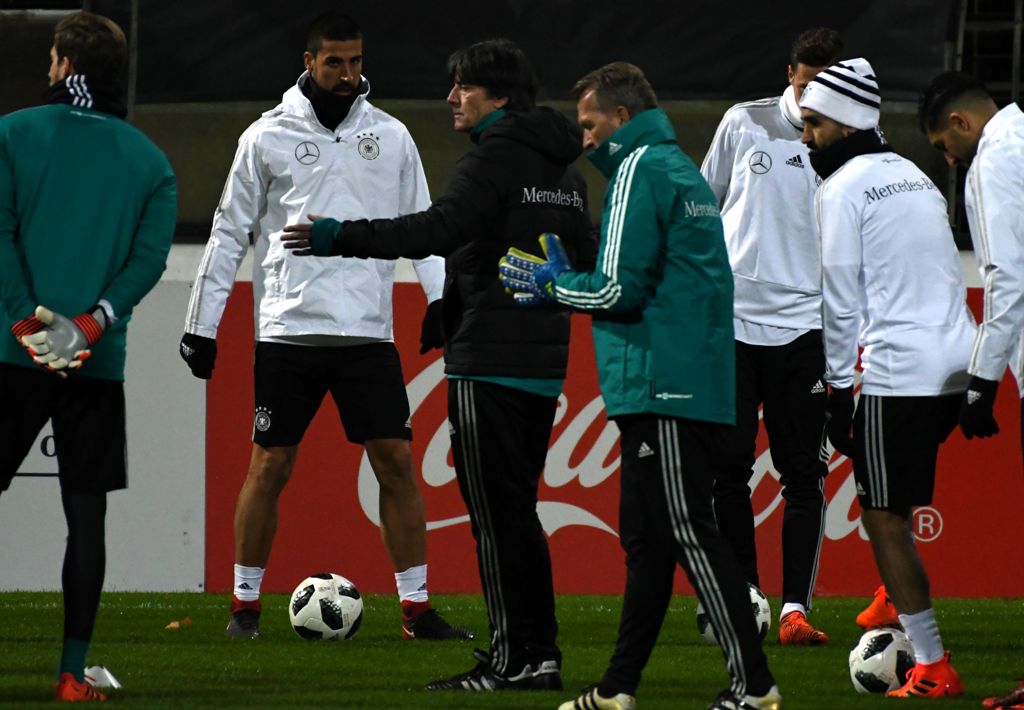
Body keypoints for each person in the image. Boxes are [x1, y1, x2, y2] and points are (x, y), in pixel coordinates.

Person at [281, 38, 595, 692]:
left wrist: (342, 234)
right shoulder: (566, 171)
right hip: (544, 360)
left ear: (499, 96)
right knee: (520, 515)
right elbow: (584, 258)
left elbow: (433, 231)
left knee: (495, 520)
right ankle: (540, 656)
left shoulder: (494, 157)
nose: (452, 98)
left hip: (489, 362)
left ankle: (511, 662)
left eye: (464, 88)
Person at [179, 11, 470, 642]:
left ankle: (416, 610)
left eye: (356, 61)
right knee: (269, 464)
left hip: (367, 331)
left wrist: (441, 298)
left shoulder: (391, 136)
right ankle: (244, 607)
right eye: (335, 62)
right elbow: (230, 231)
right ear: (309, 62)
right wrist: (202, 323)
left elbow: (422, 224)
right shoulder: (266, 136)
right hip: (289, 330)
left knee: (396, 462)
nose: (347, 74)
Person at [499, 61, 781, 710]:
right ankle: (617, 688)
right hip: (692, 378)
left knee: (684, 525)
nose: (585, 138)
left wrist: (556, 285)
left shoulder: (639, 170)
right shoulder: (680, 171)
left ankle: (755, 686)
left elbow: (620, 289)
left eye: (591, 123)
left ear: (621, 119)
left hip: (662, 383)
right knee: (649, 543)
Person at [0, 10, 176, 702]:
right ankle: (72, 675)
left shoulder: (12, 134)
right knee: (86, 517)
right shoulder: (150, 161)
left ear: (62, 65)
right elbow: (148, 260)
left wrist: (23, 322)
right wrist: (91, 325)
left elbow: (1, 232)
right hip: (94, 365)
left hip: (11, 356)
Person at [801, 57, 975, 699]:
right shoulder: (915, 176)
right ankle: (885, 605)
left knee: (881, 517)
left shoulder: (840, 189)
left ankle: (931, 662)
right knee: (896, 499)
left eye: (815, 123)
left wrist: (836, 388)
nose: (806, 136)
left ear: (845, 123)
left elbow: (840, 301)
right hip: (956, 362)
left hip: (897, 369)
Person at [699, 27, 842, 646]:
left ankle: (793, 611)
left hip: (806, 328)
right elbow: (704, 204)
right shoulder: (744, 122)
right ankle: (744, 597)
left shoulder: (845, 145)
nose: (814, 98)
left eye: (827, 87)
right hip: (733, 325)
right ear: (790, 74)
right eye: (806, 82)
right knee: (727, 472)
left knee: (803, 477)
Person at [918, 70, 1024, 710]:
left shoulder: (993, 161)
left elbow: (1007, 281)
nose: (950, 161)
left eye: (943, 146)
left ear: (961, 124)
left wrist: (981, 382)